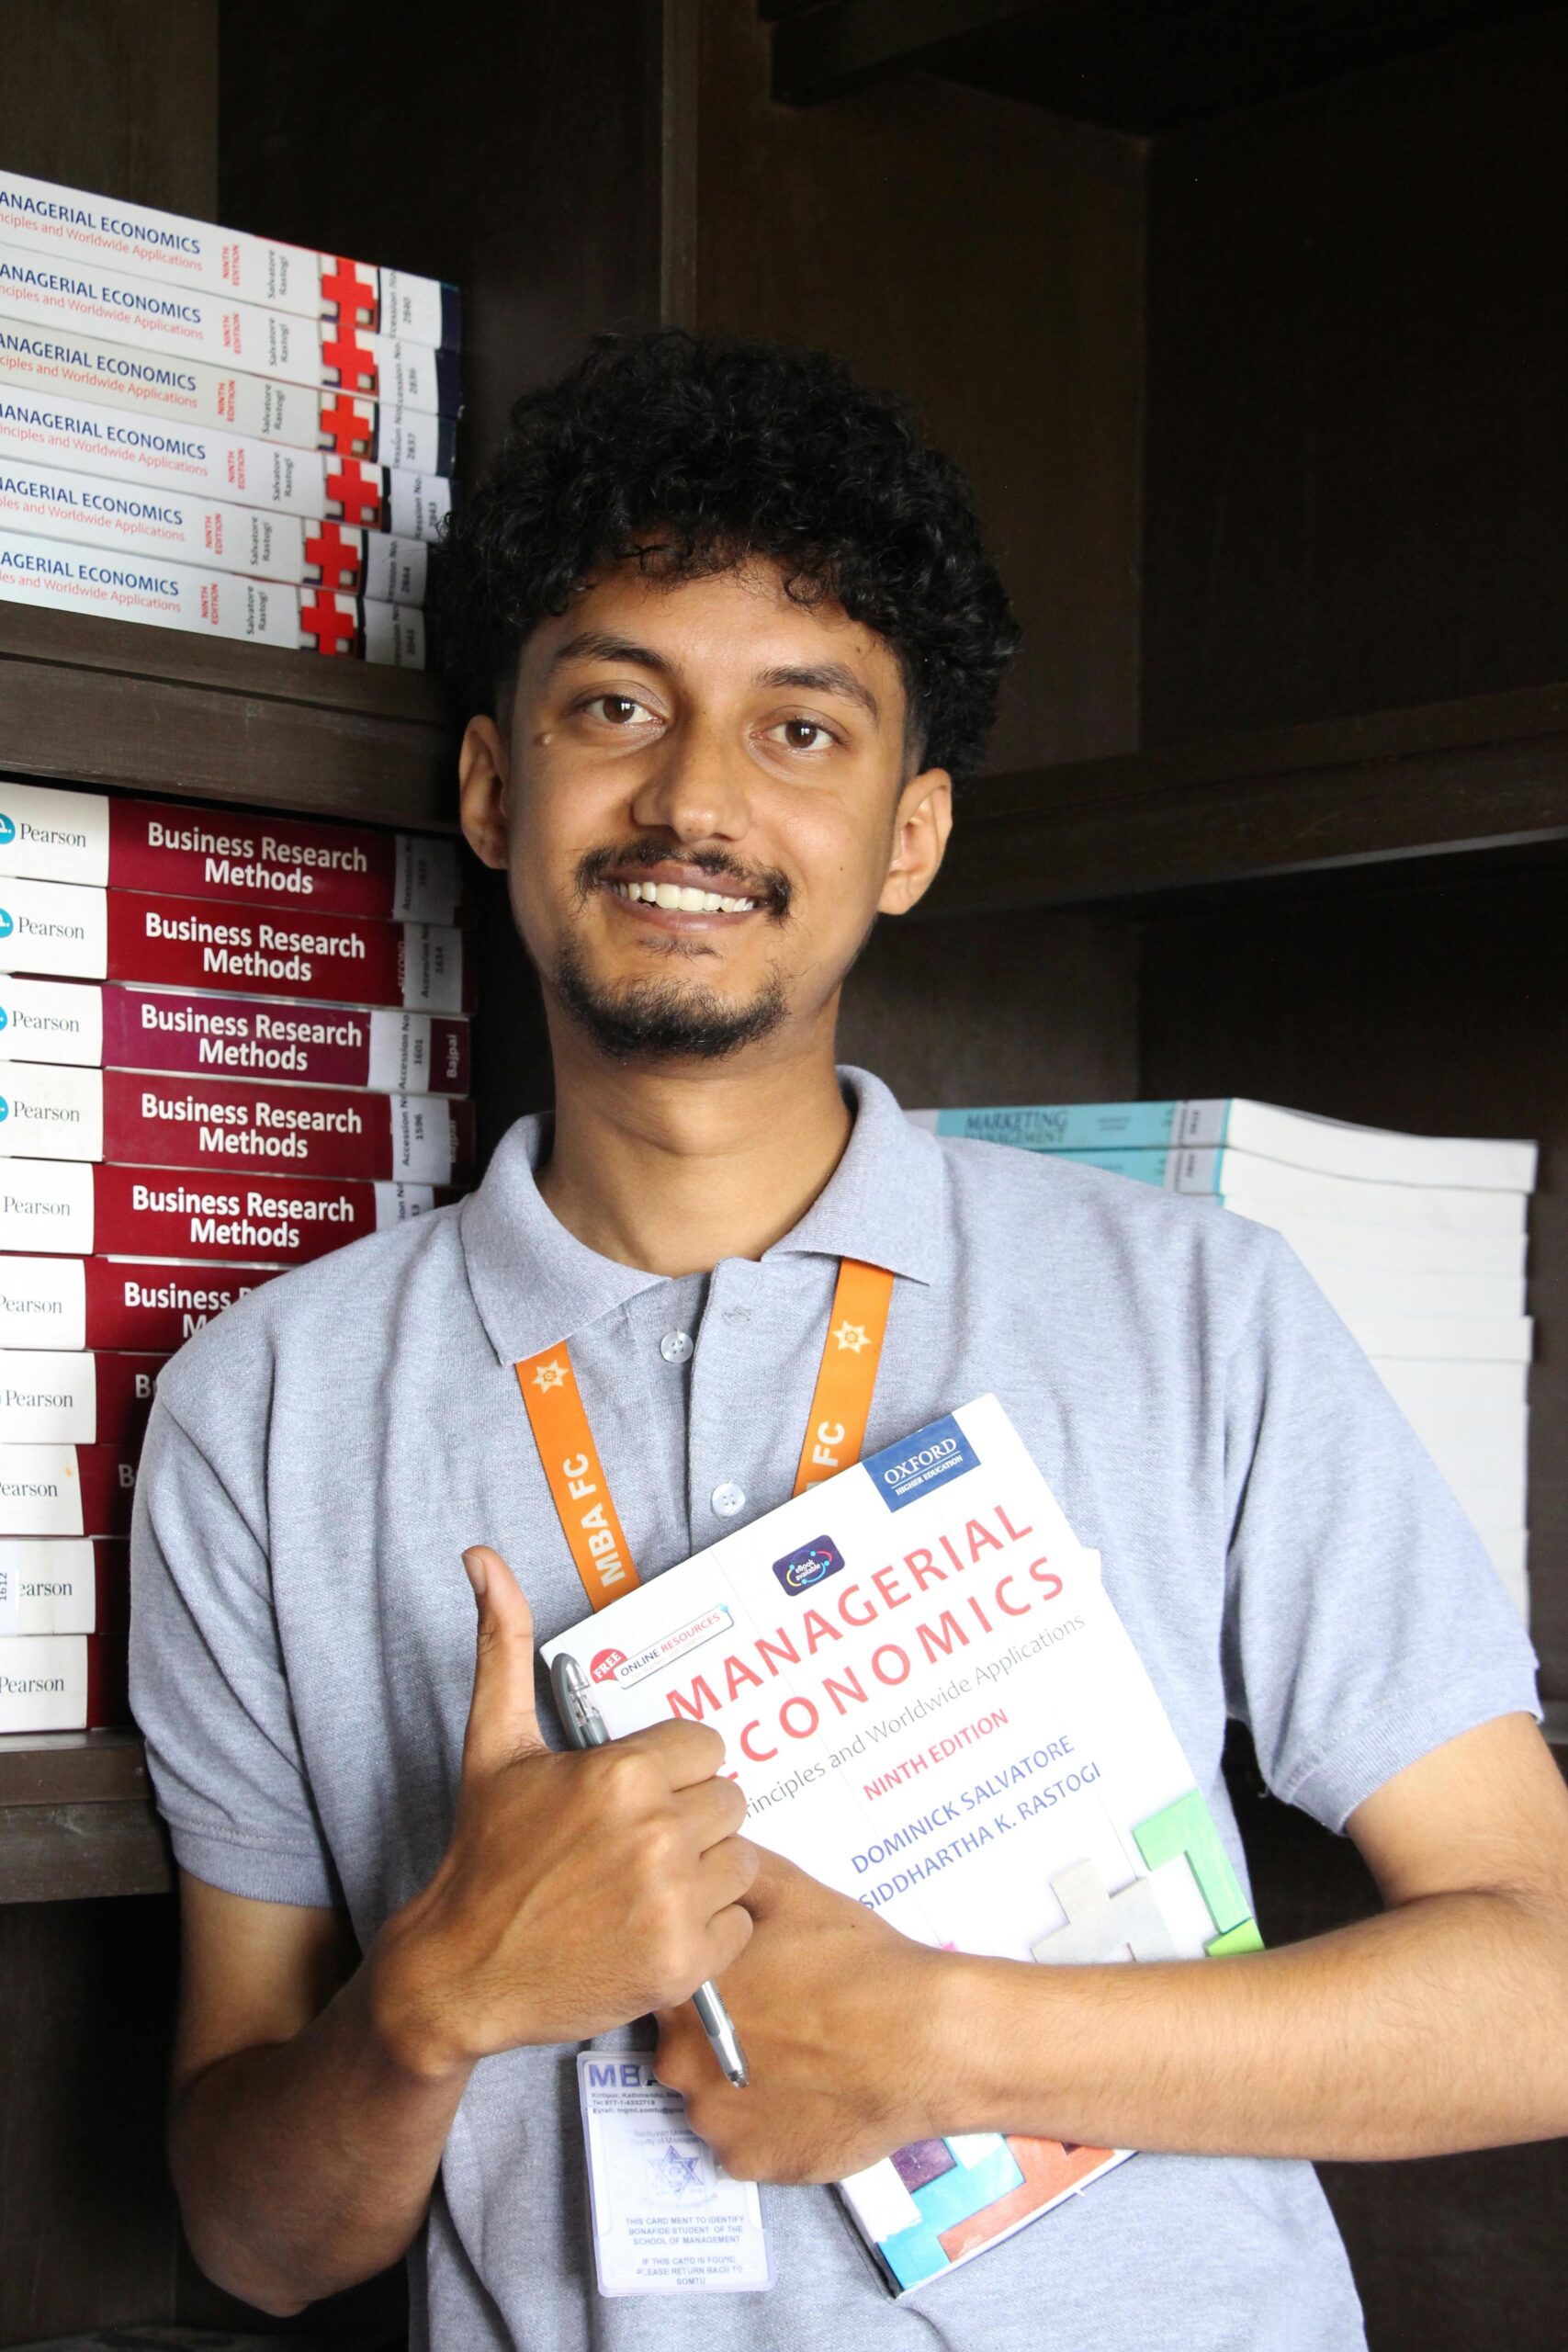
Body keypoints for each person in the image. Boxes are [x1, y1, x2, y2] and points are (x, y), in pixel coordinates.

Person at [130, 330, 1568, 2352]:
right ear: (492, 785)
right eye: (616, 705)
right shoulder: (261, 1410)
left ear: (909, 835)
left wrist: (949, 2038)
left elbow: (1540, 1991)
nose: (694, 799)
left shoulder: (1200, 1308)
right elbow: (255, 2237)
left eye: (800, 728)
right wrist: (434, 1994)